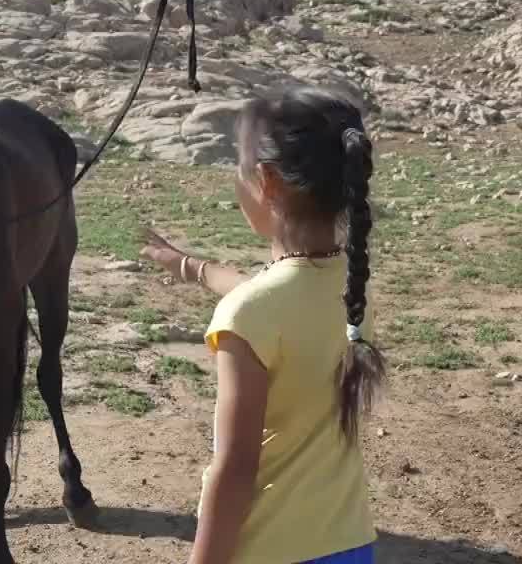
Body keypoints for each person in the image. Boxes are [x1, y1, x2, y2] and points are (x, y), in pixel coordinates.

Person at [139, 86, 384, 564]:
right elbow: (268, 295)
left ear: (267, 182)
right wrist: (190, 265)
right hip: (351, 543)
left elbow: (234, 471)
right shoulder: (353, 286)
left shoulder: (250, 316)